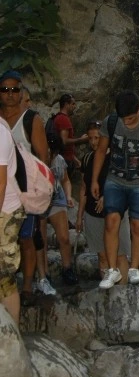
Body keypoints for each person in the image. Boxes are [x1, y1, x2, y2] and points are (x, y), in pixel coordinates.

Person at [91, 90, 139, 289]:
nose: (127, 123)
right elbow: (100, 151)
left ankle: (133, 269)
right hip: (114, 180)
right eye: (124, 119)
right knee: (111, 222)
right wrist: (94, 181)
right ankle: (112, 270)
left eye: (132, 118)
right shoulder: (111, 122)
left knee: (138, 226)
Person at [0, 70, 49, 305]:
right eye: (5, 90)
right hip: (2, 190)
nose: (10, 95)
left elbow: (42, 157)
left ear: (21, 93)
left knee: (26, 238)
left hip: (24, 192)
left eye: (14, 90)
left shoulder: (31, 120)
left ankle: (27, 285)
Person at [76, 121, 130, 283]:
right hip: (92, 214)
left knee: (120, 254)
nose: (93, 142)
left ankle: (122, 292)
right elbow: (84, 188)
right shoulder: (87, 159)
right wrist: (79, 216)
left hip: (115, 212)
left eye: (97, 138)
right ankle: (110, 292)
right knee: (102, 255)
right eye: (90, 138)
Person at [39, 134, 80, 287]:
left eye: (54, 152)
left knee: (64, 237)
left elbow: (66, 180)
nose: (51, 155)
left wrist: (69, 196)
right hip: (39, 200)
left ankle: (67, 268)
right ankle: (44, 274)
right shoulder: (35, 160)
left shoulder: (59, 161)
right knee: (41, 240)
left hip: (56, 197)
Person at [0, 117, 26, 326]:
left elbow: (0, 183)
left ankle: (13, 335)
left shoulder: (0, 133)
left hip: (5, 211)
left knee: (4, 275)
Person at [53, 93, 89, 176]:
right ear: (66, 104)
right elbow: (64, 141)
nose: (75, 106)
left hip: (66, 159)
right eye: (73, 104)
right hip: (64, 161)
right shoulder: (63, 119)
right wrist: (81, 140)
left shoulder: (60, 117)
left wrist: (75, 160)